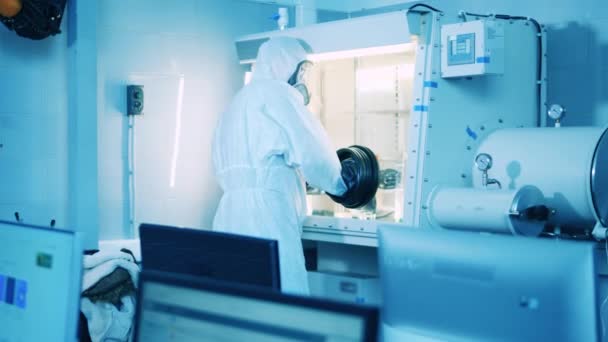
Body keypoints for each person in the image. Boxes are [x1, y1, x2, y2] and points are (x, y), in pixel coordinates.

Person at [212, 37, 347, 295]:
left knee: (236, 301)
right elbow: (313, 152)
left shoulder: (237, 102)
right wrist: (341, 185)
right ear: (286, 66)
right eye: (303, 70)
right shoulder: (279, 94)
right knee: (281, 300)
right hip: (266, 215)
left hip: (228, 213)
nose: (304, 80)